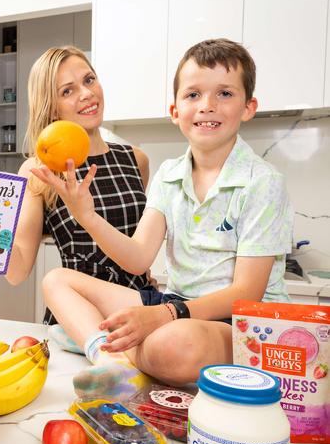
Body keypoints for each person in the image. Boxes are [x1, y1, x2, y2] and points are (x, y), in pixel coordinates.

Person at [32, 38, 292, 398]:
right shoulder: (170, 175)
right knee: (57, 280)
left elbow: (247, 293)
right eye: (193, 95)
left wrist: (165, 315)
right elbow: (138, 256)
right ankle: (111, 361)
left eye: (225, 94)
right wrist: (87, 215)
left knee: (173, 345)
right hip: (176, 304)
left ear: (249, 107)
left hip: (238, 322)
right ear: (175, 110)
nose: (207, 106)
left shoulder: (262, 182)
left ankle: (98, 342)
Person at [6, 46, 153, 338]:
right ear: (51, 106)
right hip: (77, 323)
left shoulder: (136, 159)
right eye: (67, 91)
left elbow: (136, 246)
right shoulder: (39, 171)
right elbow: (17, 271)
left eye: (89, 80)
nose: (86, 94)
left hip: (137, 315)